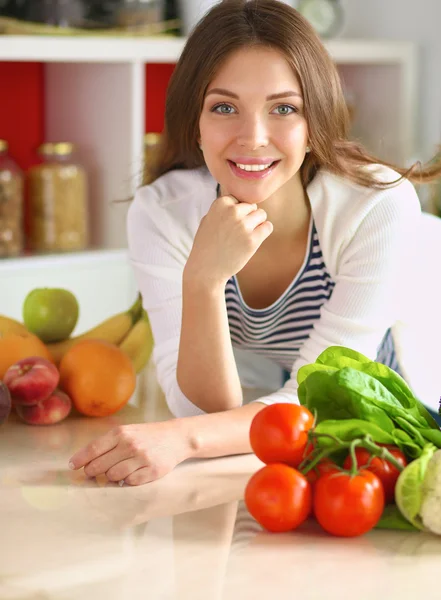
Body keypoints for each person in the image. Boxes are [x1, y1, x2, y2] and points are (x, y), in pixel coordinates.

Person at [68, 0, 441, 485]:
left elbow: (316, 393)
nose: (253, 137)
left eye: (284, 108)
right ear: (195, 123)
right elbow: (199, 407)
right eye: (224, 107)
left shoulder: (377, 209)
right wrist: (204, 279)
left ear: (314, 125)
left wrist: (184, 439)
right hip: (295, 439)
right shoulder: (162, 214)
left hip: (408, 423)